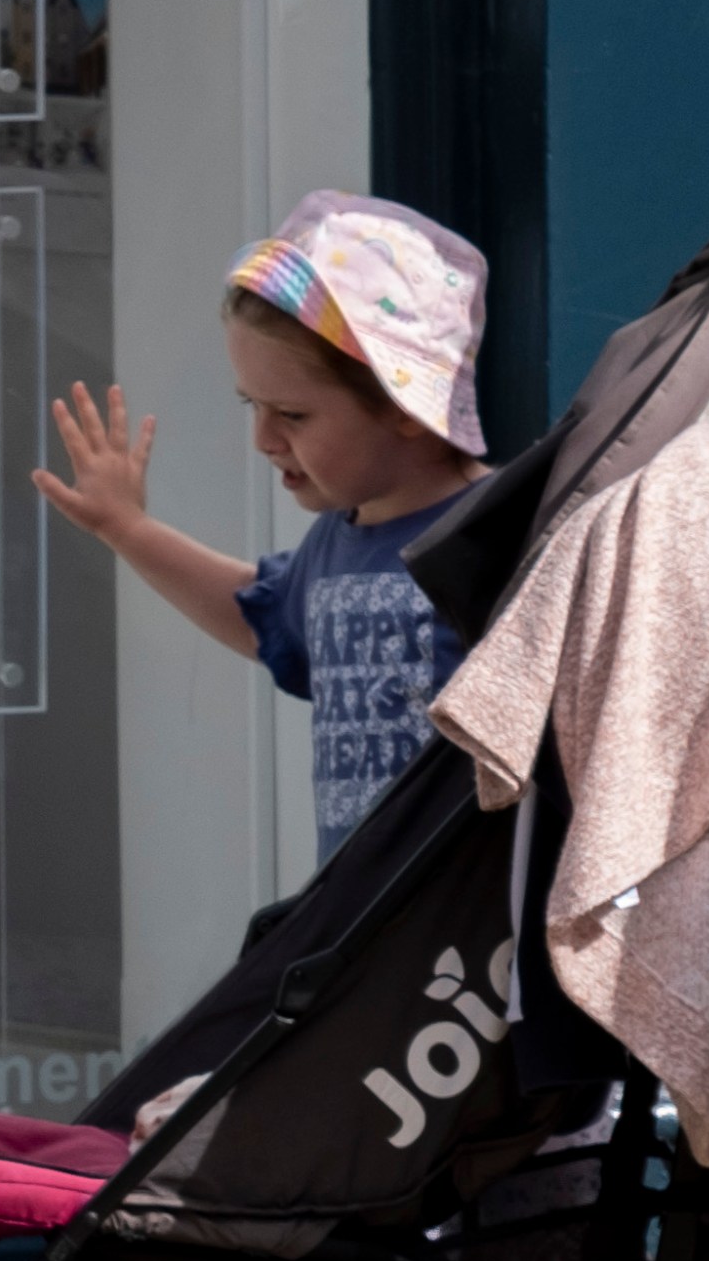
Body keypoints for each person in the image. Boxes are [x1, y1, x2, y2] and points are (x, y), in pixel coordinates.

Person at [35, 194, 498, 861]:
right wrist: (127, 528)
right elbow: (265, 614)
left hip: (468, 929)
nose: (262, 438)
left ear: (406, 403)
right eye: (251, 404)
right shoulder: (337, 542)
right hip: (358, 929)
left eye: (292, 413)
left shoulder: (501, 535)